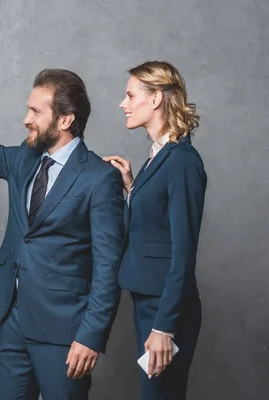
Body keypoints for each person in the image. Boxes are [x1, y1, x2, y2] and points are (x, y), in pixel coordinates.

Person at [0, 63, 124, 399]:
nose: (25, 119)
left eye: (35, 111)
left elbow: (108, 267)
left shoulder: (99, 179)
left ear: (64, 120)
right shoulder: (25, 159)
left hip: (64, 333)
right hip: (12, 322)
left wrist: (91, 336)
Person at [104, 61, 206, 399]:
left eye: (131, 95)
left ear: (156, 98)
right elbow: (157, 225)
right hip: (149, 303)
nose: (123, 103)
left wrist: (164, 326)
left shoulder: (182, 161)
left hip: (166, 310)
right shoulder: (156, 158)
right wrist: (133, 188)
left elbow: (183, 252)